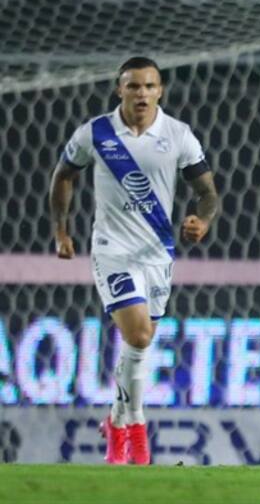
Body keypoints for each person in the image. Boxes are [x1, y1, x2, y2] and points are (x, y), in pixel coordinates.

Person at [49, 56, 218, 465]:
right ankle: (137, 429)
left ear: (160, 90)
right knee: (139, 336)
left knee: (138, 347)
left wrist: (203, 220)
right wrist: (61, 231)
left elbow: (207, 192)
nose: (141, 93)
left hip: (158, 253)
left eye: (149, 86)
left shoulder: (178, 135)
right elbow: (64, 175)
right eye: (133, 86)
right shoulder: (96, 132)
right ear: (119, 90)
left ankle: (115, 421)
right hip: (113, 251)